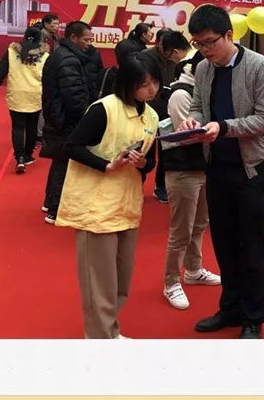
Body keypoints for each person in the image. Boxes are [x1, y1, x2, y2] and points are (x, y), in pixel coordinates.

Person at [180, 5, 264, 339]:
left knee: (251, 244)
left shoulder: (259, 66)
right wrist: (193, 121)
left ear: (229, 35)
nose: (205, 50)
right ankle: (231, 308)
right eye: (198, 44)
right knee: (223, 242)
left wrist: (223, 127)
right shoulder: (203, 68)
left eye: (210, 42)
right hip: (217, 165)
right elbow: (197, 106)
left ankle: (253, 317)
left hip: (252, 169)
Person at [55, 54, 160, 339]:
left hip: (127, 204)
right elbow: (71, 146)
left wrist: (142, 163)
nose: (151, 89)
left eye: (154, 81)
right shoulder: (104, 109)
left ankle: (109, 331)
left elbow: (150, 162)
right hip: (96, 207)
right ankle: (99, 338)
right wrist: (107, 165)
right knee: (99, 281)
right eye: (144, 84)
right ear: (127, 84)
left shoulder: (151, 115)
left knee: (120, 279)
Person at [161, 51, 221, 310]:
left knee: (199, 223)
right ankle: (171, 281)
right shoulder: (181, 93)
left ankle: (194, 270)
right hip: (183, 169)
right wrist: (218, 130)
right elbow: (188, 135)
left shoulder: (203, 90)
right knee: (181, 230)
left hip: (204, 167)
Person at [41, 21, 95, 225]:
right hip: (66, 120)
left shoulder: (62, 55)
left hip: (58, 117)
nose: (89, 44)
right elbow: (73, 97)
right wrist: (84, 119)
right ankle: (56, 208)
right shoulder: (68, 60)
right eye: (86, 40)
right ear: (73, 37)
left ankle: (51, 202)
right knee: (65, 163)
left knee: (60, 161)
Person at [0, 26, 49, 173]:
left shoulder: (11, 52)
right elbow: (48, 78)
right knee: (32, 126)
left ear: (24, 37)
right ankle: (28, 155)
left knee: (18, 127)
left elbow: (0, 72)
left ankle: (19, 157)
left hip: (16, 94)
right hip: (35, 94)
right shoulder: (45, 56)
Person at [139, 30, 191, 204]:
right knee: (143, 149)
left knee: (166, 149)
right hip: (148, 109)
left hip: (167, 110)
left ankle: (161, 186)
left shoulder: (186, 61)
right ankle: (136, 184)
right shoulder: (145, 57)